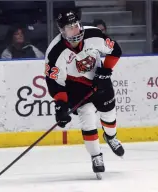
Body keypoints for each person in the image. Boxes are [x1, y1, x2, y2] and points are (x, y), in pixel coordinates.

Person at [44, 9, 124, 176]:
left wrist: (106, 70)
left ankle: (111, 137)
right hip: (76, 87)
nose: (75, 30)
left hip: (99, 80)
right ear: (62, 31)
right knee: (87, 118)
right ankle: (96, 156)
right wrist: (61, 104)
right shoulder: (54, 52)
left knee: (109, 115)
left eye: (76, 25)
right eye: (69, 28)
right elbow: (54, 82)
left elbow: (115, 50)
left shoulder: (94, 35)